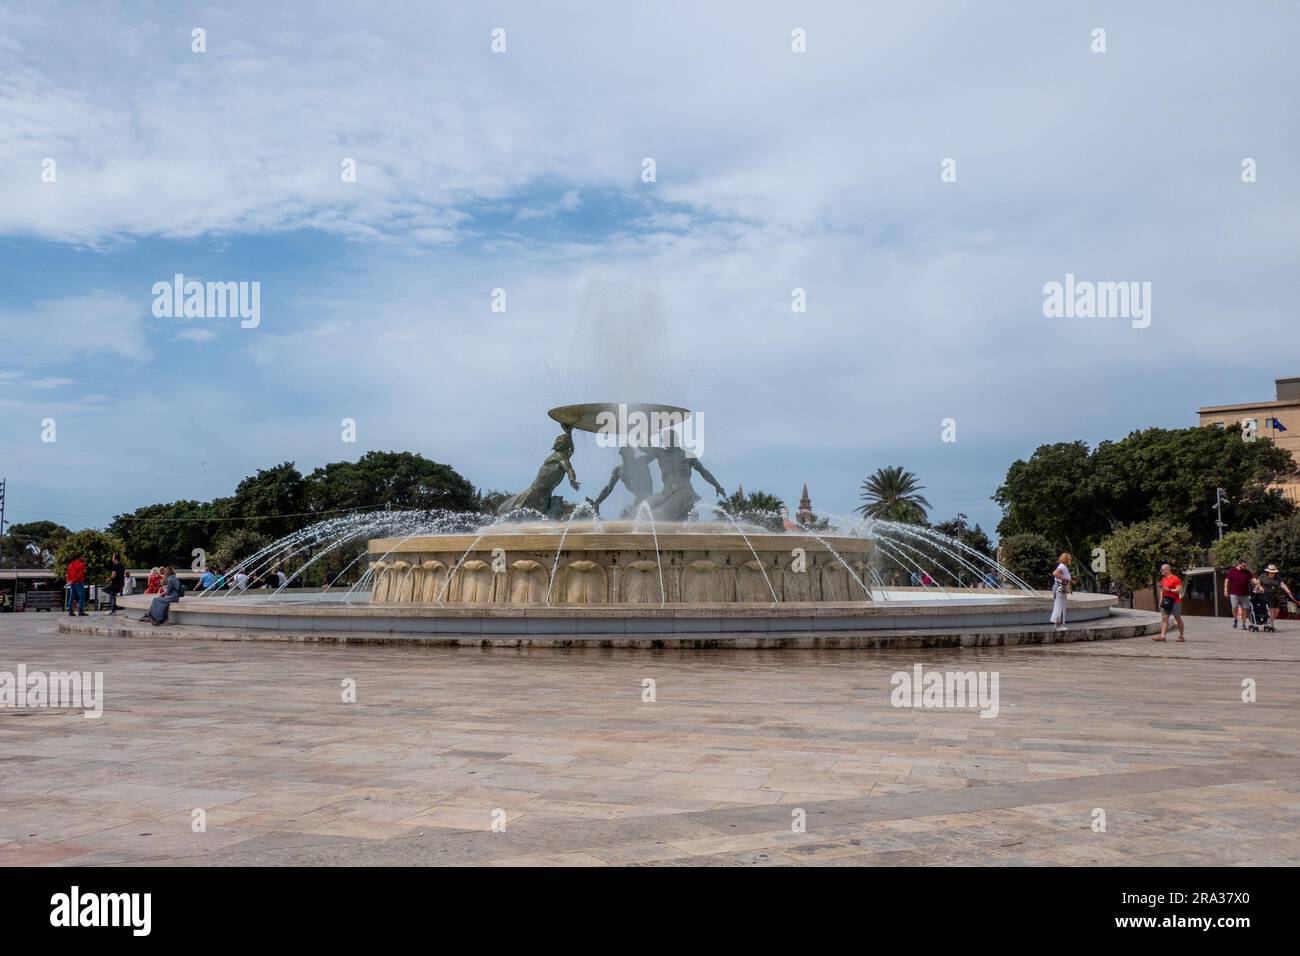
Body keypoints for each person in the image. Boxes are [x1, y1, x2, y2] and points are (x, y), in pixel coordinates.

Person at [1258, 564, 1296, 629]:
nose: (1272, 573)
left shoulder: (1277, 578)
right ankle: (1271, 625)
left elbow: (1282, 584)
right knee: (1271, 610)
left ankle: (1270, 622)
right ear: (1268, 571)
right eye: (1271, 572)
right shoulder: (1262, 576)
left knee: (1276, 611)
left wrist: (1287, 590)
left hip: (1276, 596)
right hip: (1266, 595)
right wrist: (1259, 588)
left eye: (1273, 572)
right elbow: (1258, 583)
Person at [1155, 563, 1185, 642]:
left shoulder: (1175, 579)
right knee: (1164, 618)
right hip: (1166, 601)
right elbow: (1163, 590)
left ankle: (1181, 636)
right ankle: (1162, 636)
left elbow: (1179, 590)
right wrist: (1160, 600)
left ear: (1167, 570)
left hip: (1175, 601)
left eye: (1162, 569)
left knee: (1177, 618)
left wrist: (1169, 589)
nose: (1161, 571)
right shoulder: (1164, 579)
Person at [1223, 559, 1253, 630]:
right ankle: (1235, 619)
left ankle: (1243, 624)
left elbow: (1252, 578)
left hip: (1245, 593)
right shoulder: (1232, 571)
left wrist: (1257, 582)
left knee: (1245, 609)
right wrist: (1225, 590)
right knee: (1234, 607)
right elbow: (1227, 580)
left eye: (1246, 565)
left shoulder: (1247, 572)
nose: (1245, 567)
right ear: (1239, 564)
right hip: (1234, 593)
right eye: (1244, 565)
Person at [1049, 552, 1071, 631]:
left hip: (1059, 587)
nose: (1070, 560)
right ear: (1066, 559)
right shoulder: (1062, 566)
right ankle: (1058, 625)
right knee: (1060, 605)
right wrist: (1064, 579)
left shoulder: (1063, 566)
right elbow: (1055, 573)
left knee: (1059, 605)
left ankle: (1057, 624)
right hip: (1060, 587)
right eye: (1069, 559)